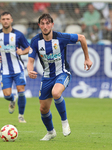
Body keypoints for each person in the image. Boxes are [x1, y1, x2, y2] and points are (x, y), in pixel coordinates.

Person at [27, 13, 93, 141]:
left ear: (52, 24)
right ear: (39, 25)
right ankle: (51, 132)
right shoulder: (35, 41)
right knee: (43, 109)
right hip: (46, 77)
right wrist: (30, 71)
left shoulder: (61, 37)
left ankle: (65, 122)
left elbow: (82, 38)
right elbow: (30, 61)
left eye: (48, 23)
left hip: (62, 73)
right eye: (43, 24)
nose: (45, 26)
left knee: (56, 93)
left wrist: (87, 59)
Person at [0, 12, 30, 123]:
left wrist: (22, 52)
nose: (6, 21)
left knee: (21, 91)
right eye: (3, 19)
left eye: (8, 19)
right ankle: (12, 100)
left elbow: (28, 48)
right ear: (0, 21)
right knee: (7, 95)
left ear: (11, 20)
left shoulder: (18, 35)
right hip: (5, 70)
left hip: (18, 69)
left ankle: (21, 115)